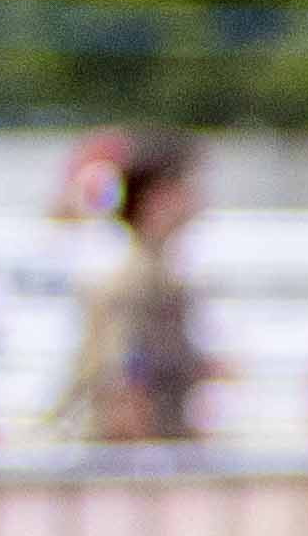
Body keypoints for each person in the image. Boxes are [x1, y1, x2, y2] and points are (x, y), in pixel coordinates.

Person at [63, 127, 209, 447]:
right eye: (184, 187)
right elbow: (122, 392)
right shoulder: (133, 283)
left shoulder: (162, 277)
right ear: (156, 198)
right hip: (133, 476)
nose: (197, 200)